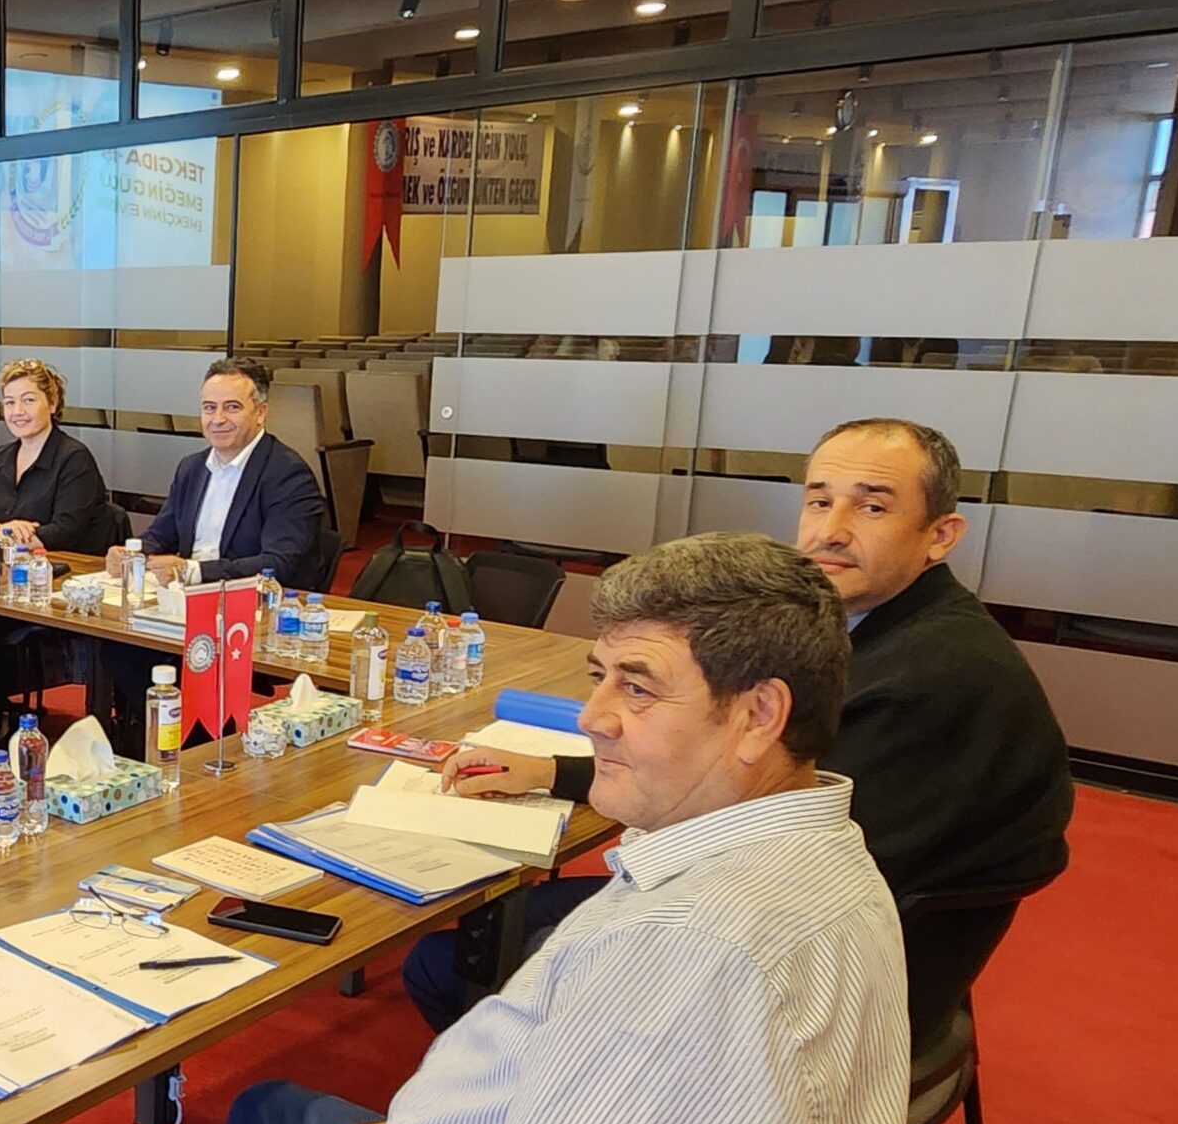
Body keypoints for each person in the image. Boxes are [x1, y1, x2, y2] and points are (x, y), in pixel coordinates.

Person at [5, 533, 909, 1124]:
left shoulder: (700, 956)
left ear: (757, 715)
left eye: (638, 688)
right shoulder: (813, 845)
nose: (593, 717)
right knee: (265, 1115)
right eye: (599, 675)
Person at [403, 417, 1074, 1033]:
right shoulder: (884, 629)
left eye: (872, 507)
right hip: (843, 936)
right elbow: (735, 773)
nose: (831, 530)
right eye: (819, 501)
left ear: (940, 535)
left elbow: (763, 830)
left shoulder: (931, 680)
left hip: (825, 987)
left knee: (451, 957)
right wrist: (553, 771)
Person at [97, 357, 325, 748]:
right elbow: (163, 532)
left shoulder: (286, 473)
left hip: (246, 610)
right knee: (118, 645)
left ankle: (195, 749)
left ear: (261, 412)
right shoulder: (192, 467)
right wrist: (132, 552)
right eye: (209, 407)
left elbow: (279, 563)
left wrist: (193, 571)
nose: (217, 419)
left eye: (231, 407)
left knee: (173, 657)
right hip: (185, 605)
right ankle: (160, 742)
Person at [0, 358, 113, 746]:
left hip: (54, 592)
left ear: (52, 402)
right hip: (0, 584)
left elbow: (62, 532)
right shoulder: (0, 457)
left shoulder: (73, 458)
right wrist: (6, 530)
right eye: (9, 402)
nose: (17, 411)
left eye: (28, 400)